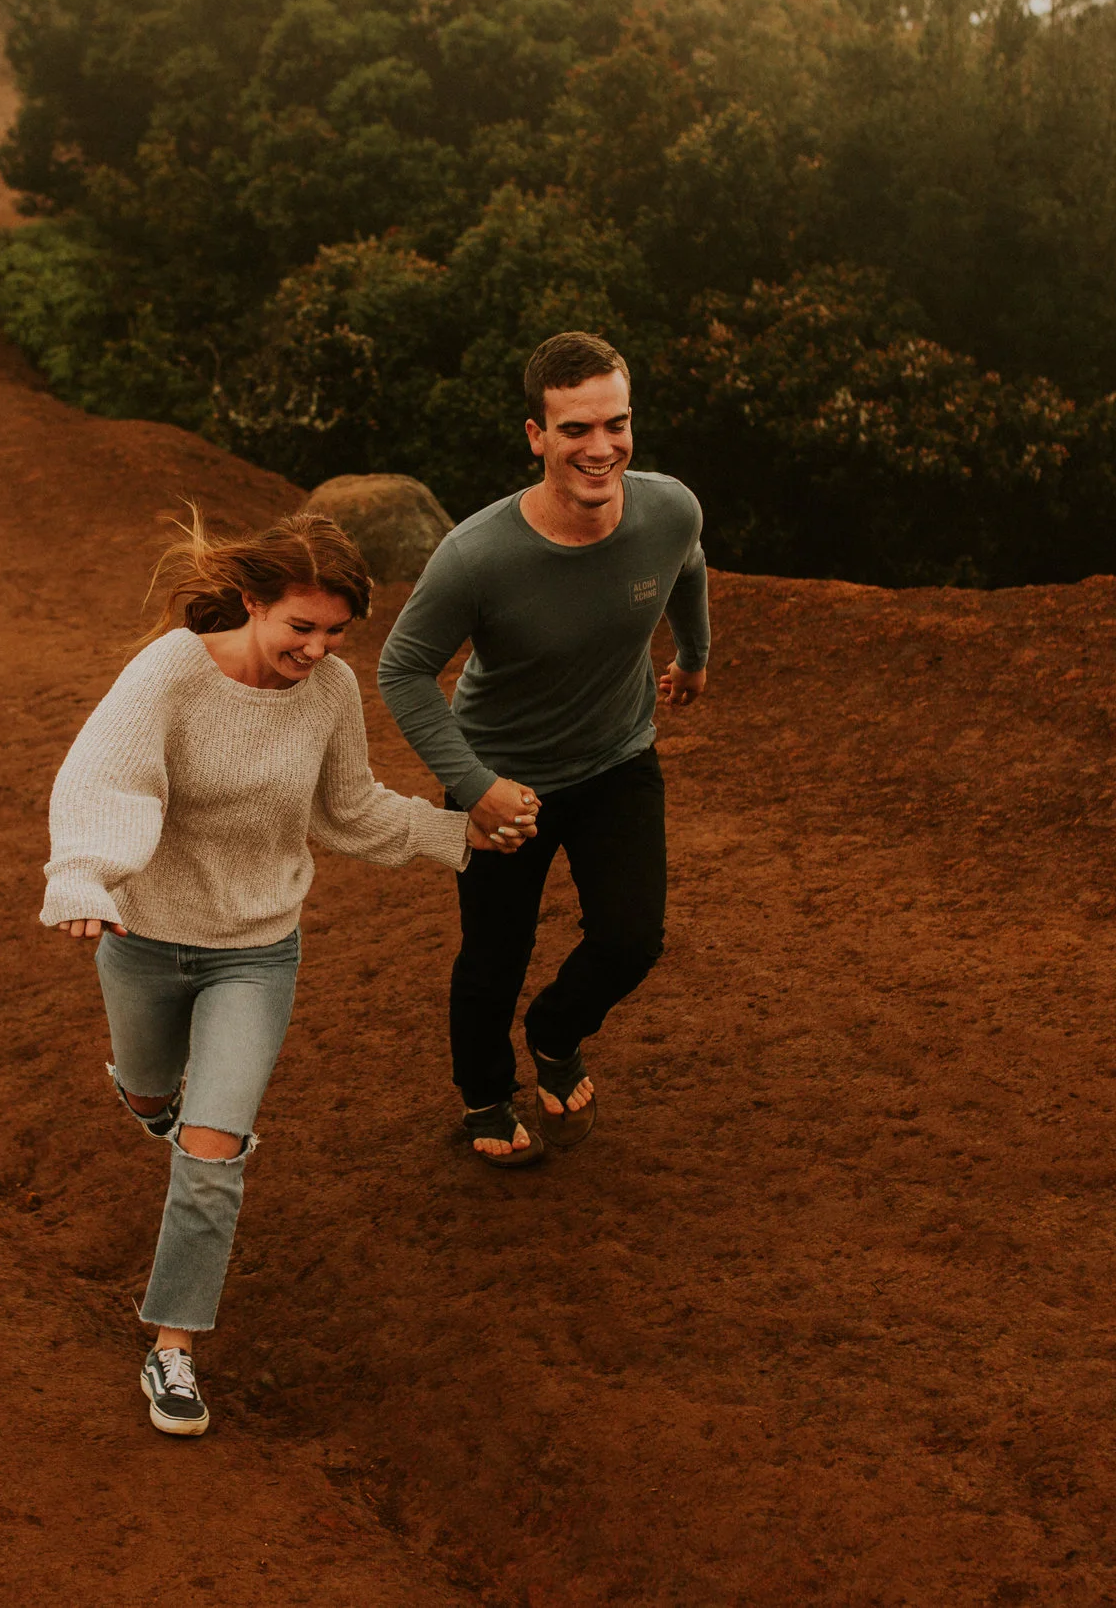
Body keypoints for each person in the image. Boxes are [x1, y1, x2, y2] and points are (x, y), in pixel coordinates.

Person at [41, 511, 531, 1437]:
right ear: (254, 601)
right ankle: (150, 1098)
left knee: (213, 1148)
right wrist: (84, 872)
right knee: (154, 1098)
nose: (317, 648)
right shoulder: (171, 672)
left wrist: (451, 829)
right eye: (300, 627)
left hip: (257, 951)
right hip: (145, 937)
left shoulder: (331, 690)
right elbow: (109, 776)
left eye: (336, 632)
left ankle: (173, 1350)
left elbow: (347, 808)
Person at [377, 331, 711, 1166]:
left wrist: (695, 655)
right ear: (537, 436)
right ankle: (486, 1096)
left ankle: (557, 1030)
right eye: (575, 430)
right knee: (496, 953)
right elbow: (403, 668)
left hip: (618, 757)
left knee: (633, 939)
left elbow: (691, 564)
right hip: (503, 777)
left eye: (617, 424)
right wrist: (473, 783)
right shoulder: (477, 555)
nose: (602, 448)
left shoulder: (669, 506)